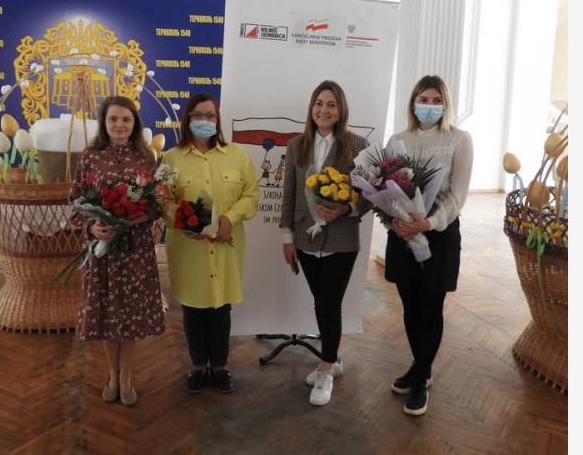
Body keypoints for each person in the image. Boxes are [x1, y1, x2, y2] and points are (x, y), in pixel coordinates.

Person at [278, 80, 372, 407]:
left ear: (341, 109)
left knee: (330, 304)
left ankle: (326, 368)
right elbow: (288, 194)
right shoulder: (296, 145)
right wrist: (287, 239)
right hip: (305, 237)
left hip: (342, 239)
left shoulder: (357, 145)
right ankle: (333, 358)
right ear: (311, 108)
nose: (324, 109)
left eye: (331, 104)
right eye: (319, 103)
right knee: (321, 302)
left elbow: (369, 195)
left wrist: (347, 208)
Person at [385, 75, 473, 416]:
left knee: (431, 305)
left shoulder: (459, 140)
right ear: (413, 102)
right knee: (410, 303)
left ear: (446, 105)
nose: (430, 106)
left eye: (437, 100)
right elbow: (385, 188)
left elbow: (458, 194)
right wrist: (395, 220)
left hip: (440, 233)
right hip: (403, 233)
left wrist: (430, 223)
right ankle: (419, 365)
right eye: (424, 99)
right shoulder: (398, 139)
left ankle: (421, 378)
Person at [68, 96, 165, 407]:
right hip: (104, 251)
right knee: (110, 316)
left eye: (126, 119)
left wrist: (139, 215)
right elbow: (75, 202)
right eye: (113, 119)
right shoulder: (89, 157)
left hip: (135, 249)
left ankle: (126, 376)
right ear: (104, 122)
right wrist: (91, 227)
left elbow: (157, 203)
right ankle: (112, 375)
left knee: (130, 314)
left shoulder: (145, 157)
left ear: (134, 123)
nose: (119, 125)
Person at [162, 93, 259, 394]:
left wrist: (231, 217)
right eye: (198, 115)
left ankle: (220, 366)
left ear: (218, 120)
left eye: (210, 115)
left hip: (226, 247)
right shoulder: (170, 159)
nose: (204, 120)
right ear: (188, 119)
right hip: (188, 250)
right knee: (193, 310)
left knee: (220, 308)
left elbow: (251, 195)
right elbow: (163, 201)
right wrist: (182, 221)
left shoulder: (237, 155)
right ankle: (197, 366)